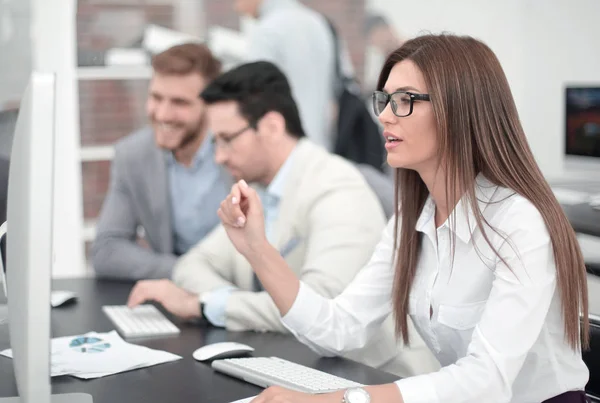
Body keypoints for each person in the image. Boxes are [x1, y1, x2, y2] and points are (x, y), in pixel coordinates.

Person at [217, 34, 592, 403]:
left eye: (405, 100)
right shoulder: (412, 220)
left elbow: (487, 380)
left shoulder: (519, 221)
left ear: (459, 109)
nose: (383, 115)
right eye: (384, 99)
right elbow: (339, 329)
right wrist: (256, 248)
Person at [126, 61, 440, 378]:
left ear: (273, 127)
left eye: (227, 139)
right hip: (301, 365)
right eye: (215, 142)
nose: (219, 156)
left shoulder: (335, 187)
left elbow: (318, 307)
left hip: (375, 378)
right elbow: (191, 265)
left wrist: (207, 306)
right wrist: (235, 304)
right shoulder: (259, 190)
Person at [91, 43, 231, 281]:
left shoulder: (239, 151)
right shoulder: (133, 155)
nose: (163, 114)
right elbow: (107, 249)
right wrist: (185, 272)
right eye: (156, 98)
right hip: (176, 290)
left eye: (179, 103)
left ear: (210, 105)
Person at [233, 0, 347, 151]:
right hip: (322, 146)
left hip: (284, 148)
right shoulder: (317, 22)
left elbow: (255, 97)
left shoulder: (267, 30)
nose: (236, 6)